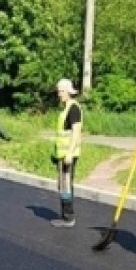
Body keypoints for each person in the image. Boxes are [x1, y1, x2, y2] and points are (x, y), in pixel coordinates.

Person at [50, 78, 83, 228]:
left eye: (61, 91)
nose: (59, 94)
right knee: (63, 184)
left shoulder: (73, 108)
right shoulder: (66, 108)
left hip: (68, 155)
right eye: (58, 91)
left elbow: (76, 133)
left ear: (69, 91)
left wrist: (69, 153)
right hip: (61, 154)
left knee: (66, 185)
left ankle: (68, 218)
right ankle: (65, 215)